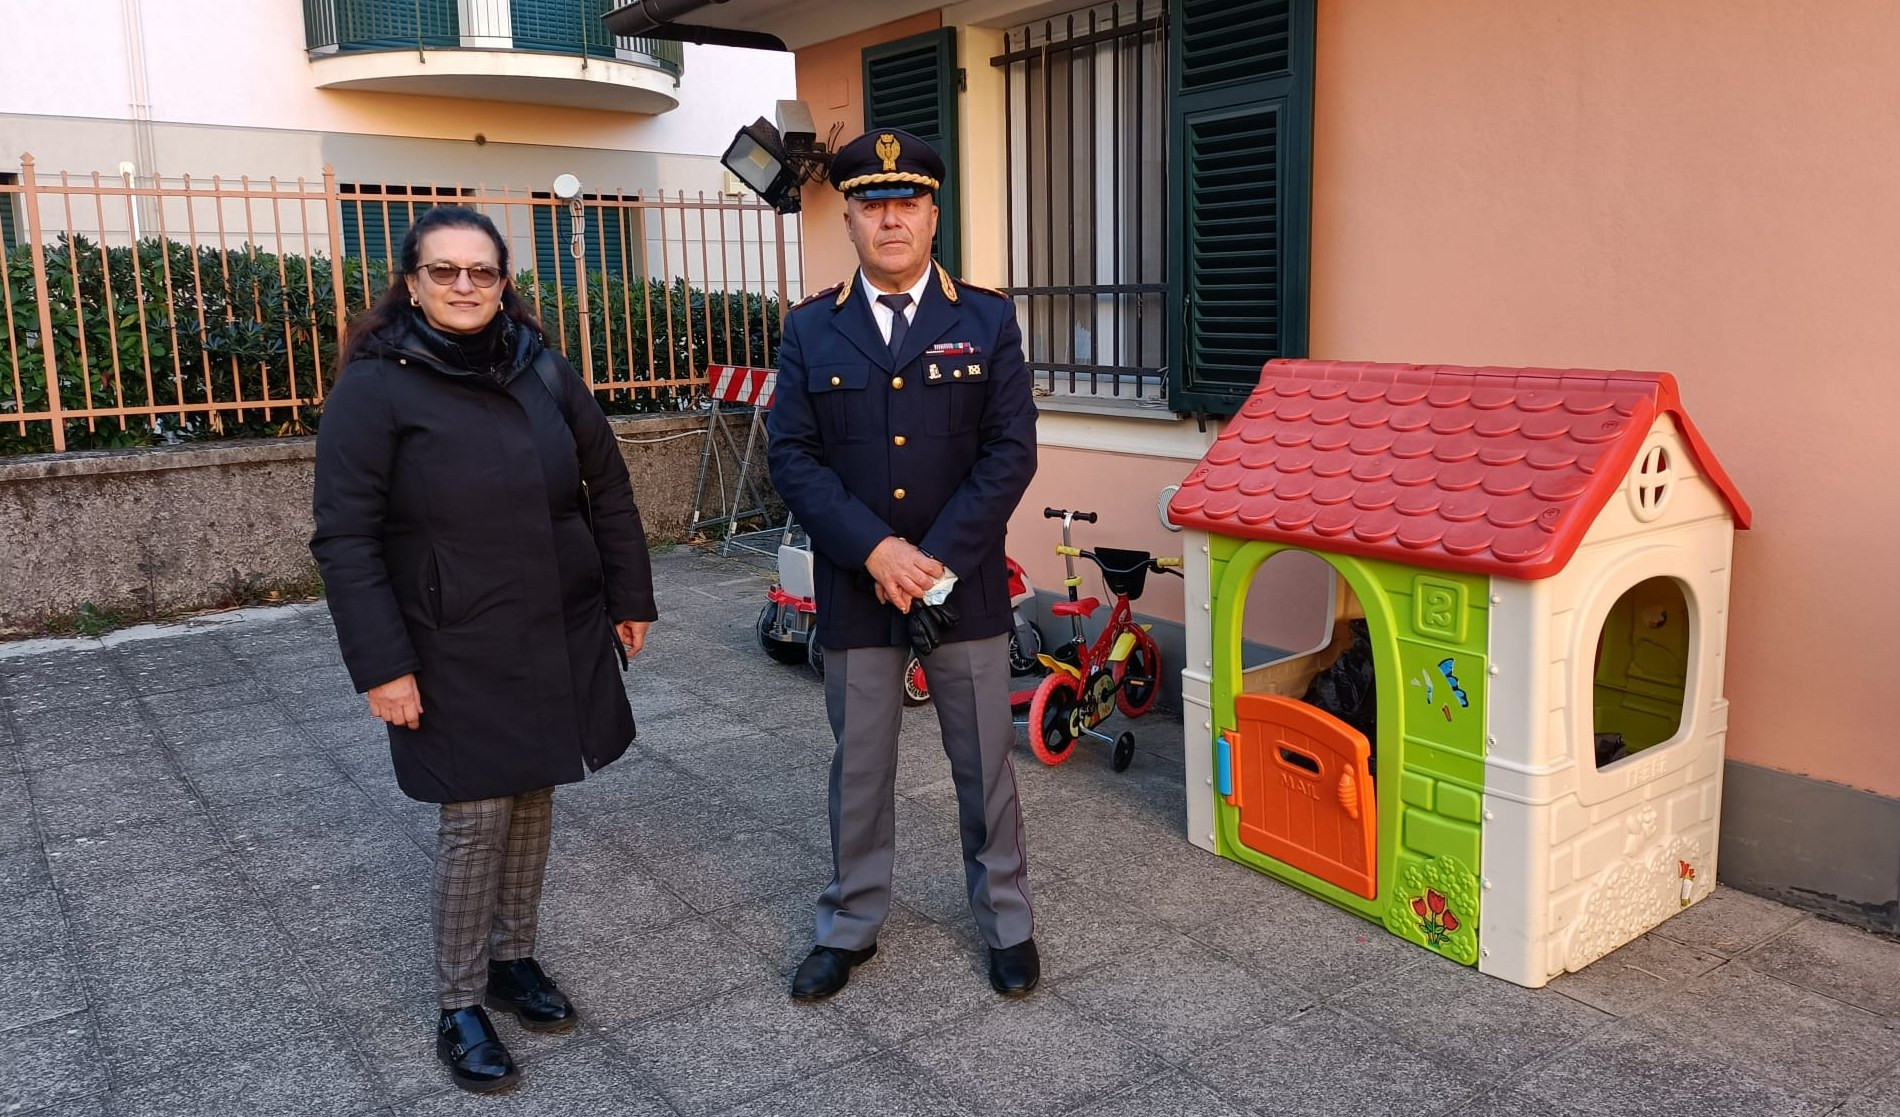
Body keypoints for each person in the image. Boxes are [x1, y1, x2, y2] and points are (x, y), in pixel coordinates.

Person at [310, 205, 657, 1093]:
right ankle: (460, 1001)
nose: (465, 285)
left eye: (482, 271)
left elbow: (605, 481)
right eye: (444, 270)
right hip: (448, 634)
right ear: (412, 281)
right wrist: (383, 665)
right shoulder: (375, 386)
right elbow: (344, 538)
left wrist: (629, 594)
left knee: (537, 789)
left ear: (505, 281)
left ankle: (512, 960)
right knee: (475, 814)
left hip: (555, 617)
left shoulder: (540, 364)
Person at [767, 127, 1041, 1001]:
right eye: (873, 205)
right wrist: (875, 550)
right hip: (857, 580)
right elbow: (793, 456)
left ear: (934, 213)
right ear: (848, 217)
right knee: (860, 764)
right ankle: (849, 924)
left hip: (961, 583)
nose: (891, 220)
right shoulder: (812, 328)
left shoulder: (987, 319)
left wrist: (929, 561)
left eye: (908, 203)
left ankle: (1007, 921)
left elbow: (1010, 451)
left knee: (984, 760)